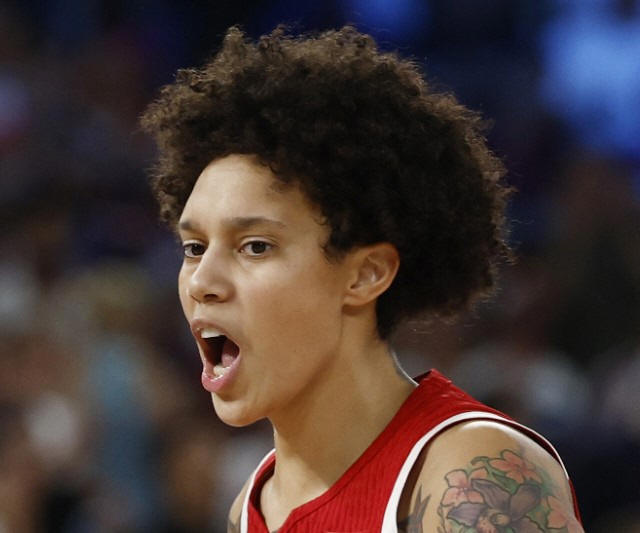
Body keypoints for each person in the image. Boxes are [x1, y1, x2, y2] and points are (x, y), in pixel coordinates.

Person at [141, 26, 583, 533]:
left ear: (366, 274)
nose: (202, 281)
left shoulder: (470, 476)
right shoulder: (251, 505)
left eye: (255, 246)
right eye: (194, 248)